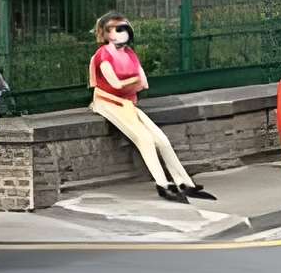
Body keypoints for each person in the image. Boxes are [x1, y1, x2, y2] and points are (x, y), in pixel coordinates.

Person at [87, 15, 215, 202]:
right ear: (106, 34)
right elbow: (115, 84)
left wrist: (132, 83)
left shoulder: (130, 54)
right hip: (108, 103)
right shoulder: (102, 55)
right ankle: (163, 185)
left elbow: (143, 83)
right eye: (116, 29)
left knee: (162, 140)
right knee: (145, 139)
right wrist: (133, 81)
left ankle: (185, 184)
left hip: (128, 104)